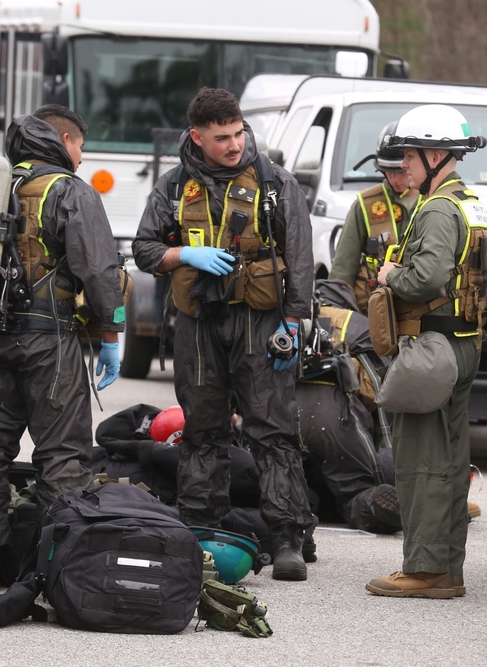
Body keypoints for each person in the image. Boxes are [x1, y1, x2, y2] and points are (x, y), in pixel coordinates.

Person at [132, 87, 315, 581]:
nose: (234, 145)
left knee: (272, 429)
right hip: (197, 324)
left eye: (238, 134)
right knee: (202, 428)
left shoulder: (275, 184)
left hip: (261, 320)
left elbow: (299, 257)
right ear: (197, 136)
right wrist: (184, 255)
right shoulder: (173, 188)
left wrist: (294, 323)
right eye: (222, 138)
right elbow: (144, 250)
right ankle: (198, 529)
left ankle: (287, 538)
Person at [0, 104, 125, 590]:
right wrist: (110, 335)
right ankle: (56, 572)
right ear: (65, 140)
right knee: (63, 456)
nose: (81, 157)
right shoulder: (68, 190)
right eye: (81, 147)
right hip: (47, 341)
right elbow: (98, 271)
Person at [365, 104, 487, 599]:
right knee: (448, 457)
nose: (403, 165)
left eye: (410, 155)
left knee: (421, 459)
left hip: (435, 344)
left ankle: (425, 570)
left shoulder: (439, 208)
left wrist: (387, 276)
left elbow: (428, 277)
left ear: (436, 154)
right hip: (462, 343)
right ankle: (445, 568)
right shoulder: (468, 202)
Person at [329, 122, 418, 313]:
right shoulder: (365, 204)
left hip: (418, 311)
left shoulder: (434, 203)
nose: (394, 179)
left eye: (400, 171)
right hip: (371, 311)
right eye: (388, 171)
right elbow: (343, 269)